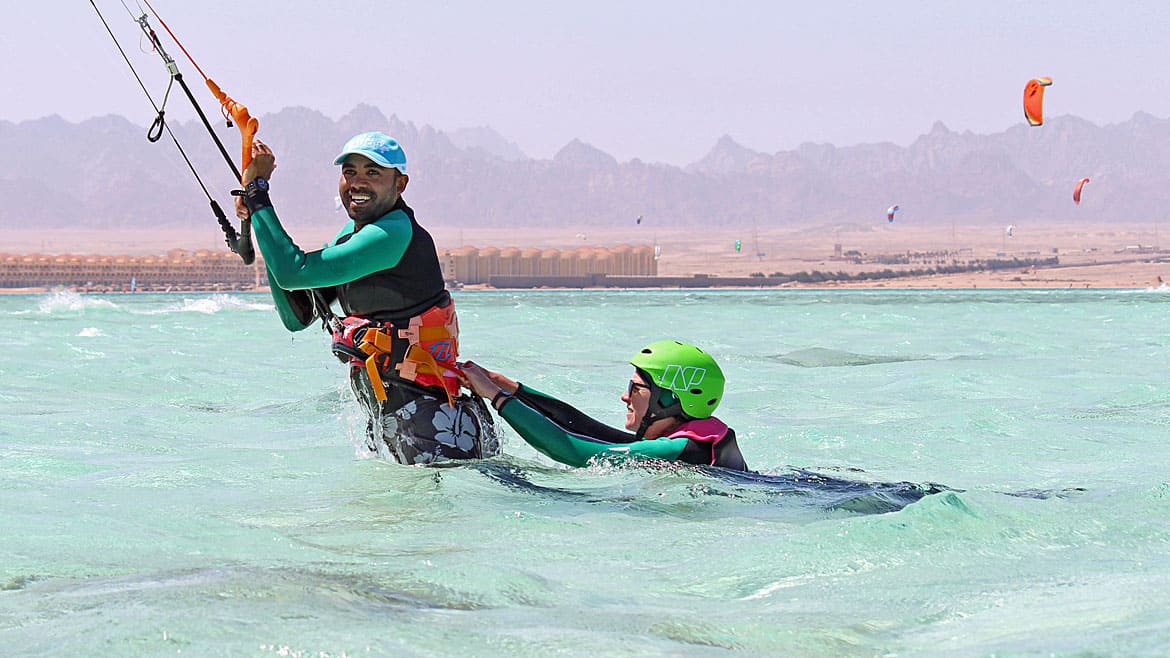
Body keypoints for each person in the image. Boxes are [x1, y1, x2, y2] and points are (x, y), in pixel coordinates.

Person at [235, 132, 498, 465]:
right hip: (392, 428)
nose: (357, 182)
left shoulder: (393, 234)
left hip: (440, 429)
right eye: (350, 172)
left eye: (373, 173)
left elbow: (293, 271)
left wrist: (258, 193)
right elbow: (296, 315)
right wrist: (259, 219)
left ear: (400, 184)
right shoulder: (348, 235)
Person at [459, 340, 748, 471]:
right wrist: (509, 387)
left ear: (669, 399)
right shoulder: (684, 440)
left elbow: (576, 451)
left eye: (636, 388)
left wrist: (497, 399)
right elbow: (585, 430)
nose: (625, 396)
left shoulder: (678, 449)